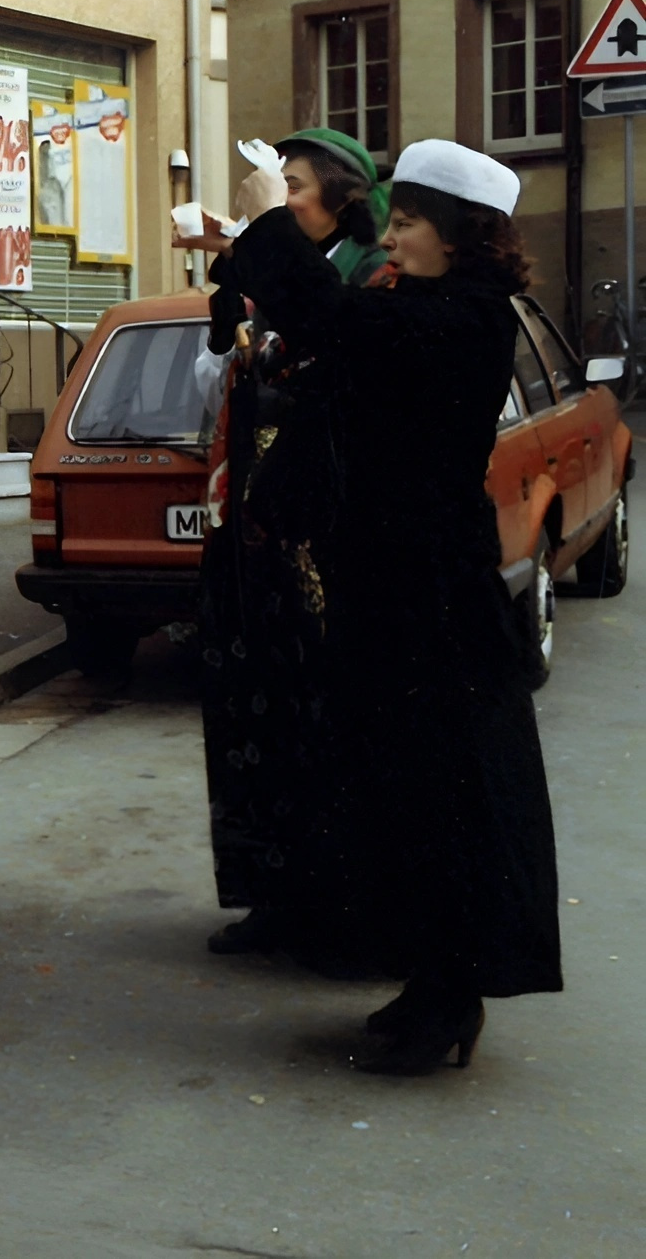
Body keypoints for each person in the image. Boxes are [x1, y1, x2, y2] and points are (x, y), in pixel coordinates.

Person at [175, 138, 559, 1074]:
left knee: (445, 797)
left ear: (462, 237)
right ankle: (426, 983)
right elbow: (326, 351)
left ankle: (450, 1001)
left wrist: (269, 218)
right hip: (389, 587)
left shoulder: (467, 318)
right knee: (394, 791)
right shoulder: (424, 305)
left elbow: (331, 320)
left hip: (435, 600)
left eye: (409, 222)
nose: (391, 238)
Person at [190, 128, 389, 962]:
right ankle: (272, 893)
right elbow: (226, 362)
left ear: (342, 199)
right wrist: (231, 266)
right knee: (251, 704)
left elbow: (322, 350)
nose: (281, 199)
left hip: (319, 540)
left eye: (293, 187)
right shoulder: (286, 278)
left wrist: (260, 244)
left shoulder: (366, 281)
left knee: (321, 716)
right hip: (253, 527)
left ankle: (337, 905)